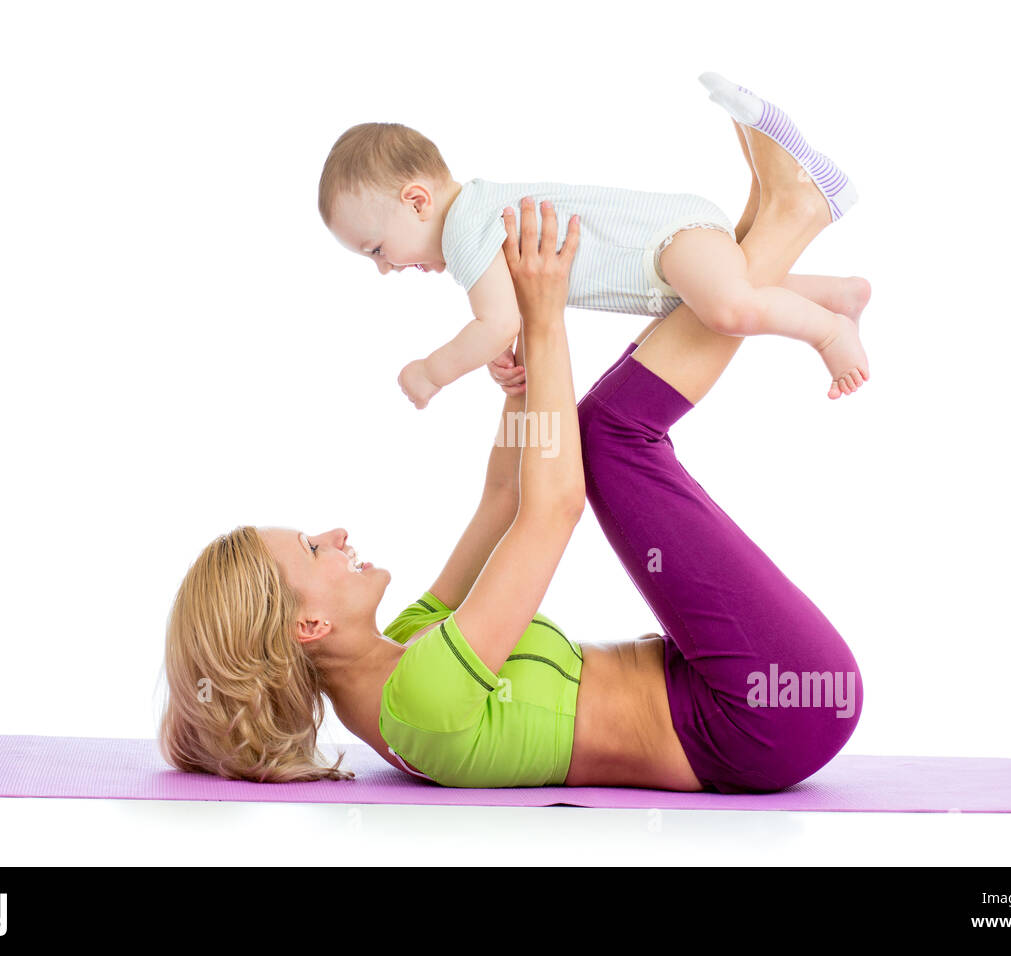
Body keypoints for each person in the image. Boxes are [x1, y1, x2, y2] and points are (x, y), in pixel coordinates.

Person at [159, 112, 865, 792]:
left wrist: (520, 393)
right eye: (314, 550)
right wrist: (542, 315)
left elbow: (505, 500)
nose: (335, 534)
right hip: (764, 717)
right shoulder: (419, 698)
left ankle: (785, 221)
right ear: (308, 625)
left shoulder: (407, 643)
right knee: (612, 440)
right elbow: (552, 508)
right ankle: (788, 220)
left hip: (725, 686)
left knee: (605, 434)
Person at [319, 74, 870, 406]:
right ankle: (835, 295)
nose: (385, 268)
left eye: (376, 250)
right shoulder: (478, 214)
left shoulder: (463, 226)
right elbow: (508, 317)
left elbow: (495, 322)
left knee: (729, 310)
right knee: (731, 293)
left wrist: (430, 371)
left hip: (664, 245)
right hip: (671, 254)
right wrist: (506, 353)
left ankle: (826, 332)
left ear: (416, 202)